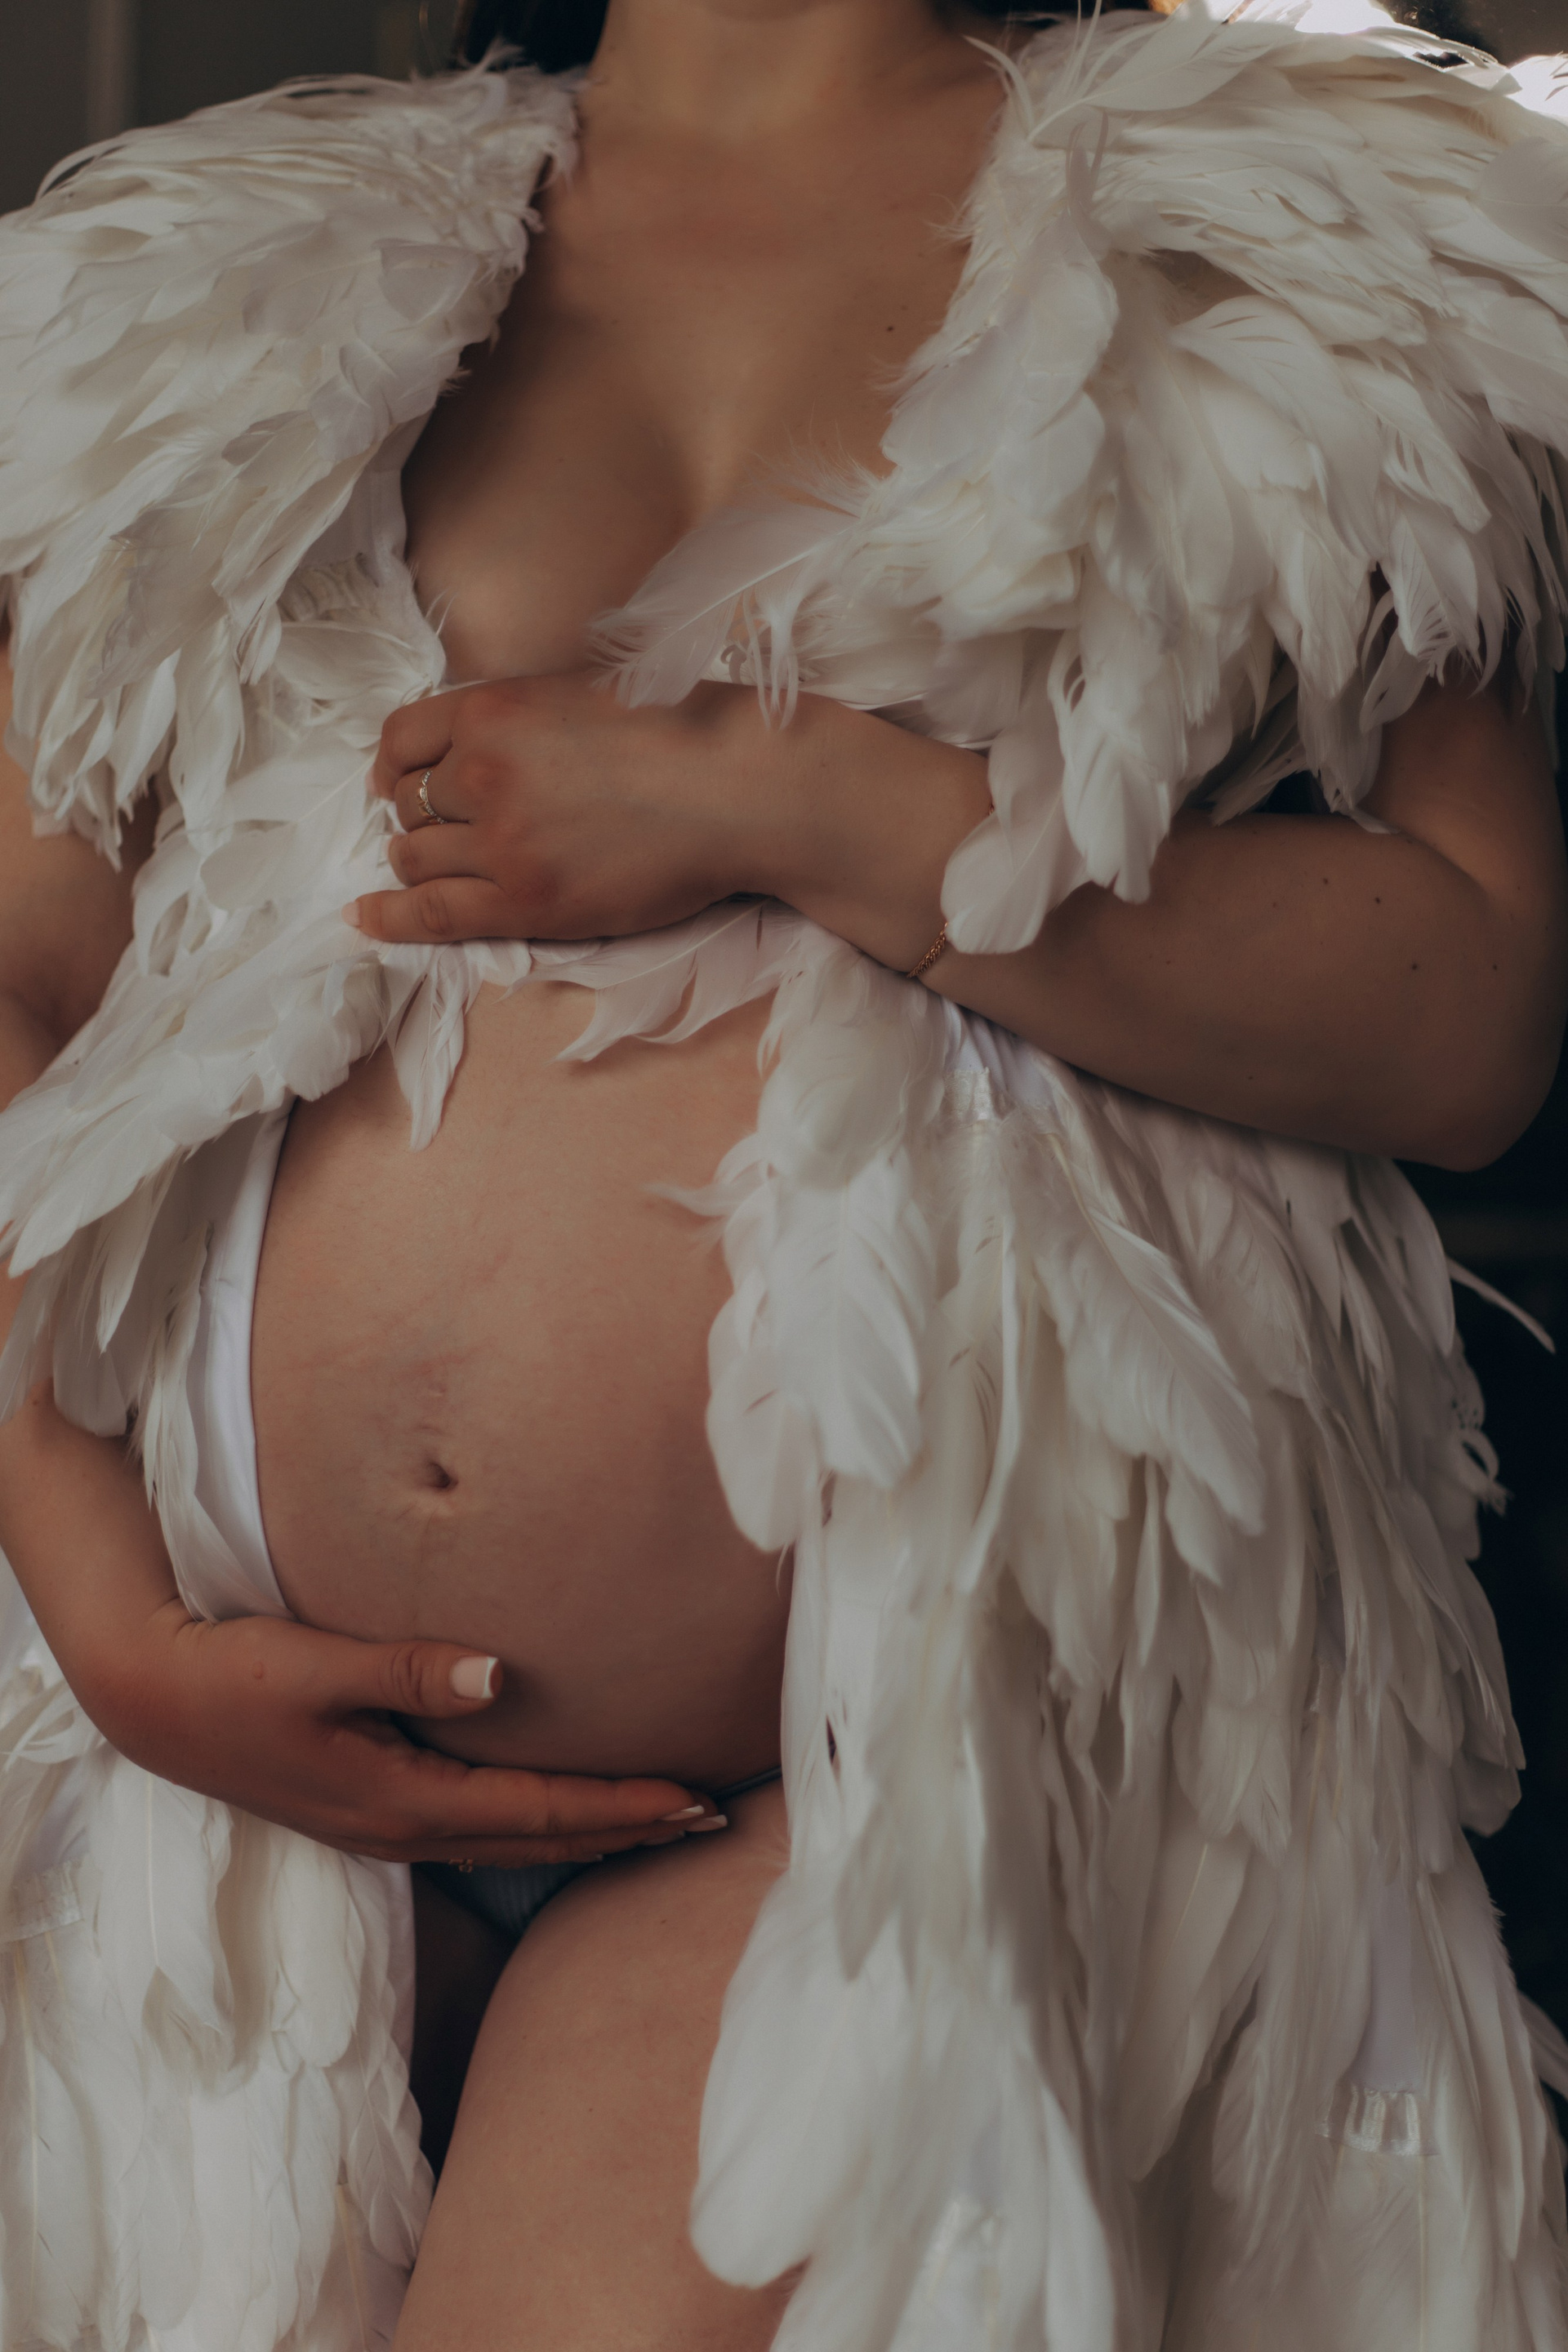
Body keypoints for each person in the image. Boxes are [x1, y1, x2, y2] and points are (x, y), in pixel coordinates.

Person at [0, 0, 1566, 2345]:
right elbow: (25, 975)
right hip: (183, 1775)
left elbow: (1468, 1015)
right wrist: (99, 1600)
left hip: (877, 1790)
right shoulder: (222, 258)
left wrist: (796, 800)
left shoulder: (1293, 226)